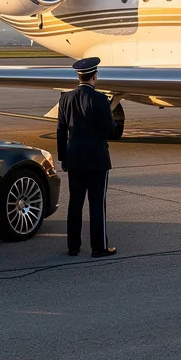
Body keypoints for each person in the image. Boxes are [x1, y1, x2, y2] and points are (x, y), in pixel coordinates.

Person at [56, 57, 118, 257]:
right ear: (94, 75)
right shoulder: (100, 99)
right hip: (97, 160)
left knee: (75, 204)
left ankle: (73, 246)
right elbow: (110, 129)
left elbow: (60, 131)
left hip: (74, 159)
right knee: (97, 204)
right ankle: (98, 247)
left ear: (79, 76)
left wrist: (63, 158)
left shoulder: (65, 98)